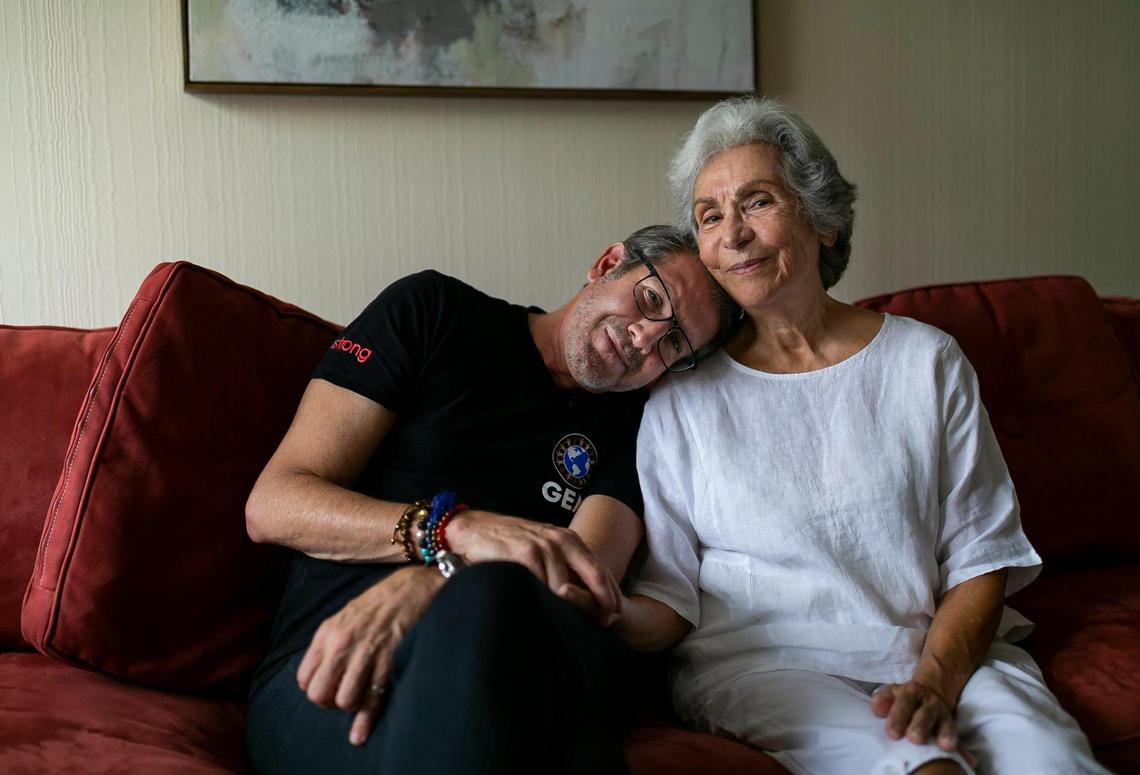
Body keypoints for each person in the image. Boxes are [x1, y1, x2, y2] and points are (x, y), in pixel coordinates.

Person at [615, 98, 1109, 775]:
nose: (732, 234)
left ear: (824, 219)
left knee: (1054, 762)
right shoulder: (681, 401)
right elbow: (668, 590)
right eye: (709, 216)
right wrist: (589, 601)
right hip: (768, 668)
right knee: (920, 766)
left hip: (935, 650)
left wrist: (936, 679)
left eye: (756, 202)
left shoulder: (925, 360)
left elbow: (981, 555)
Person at [242, 224, 738, 775]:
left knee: (499, 606)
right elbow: (274, 503)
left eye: (673, 343)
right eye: (651, 300)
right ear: (607, 263)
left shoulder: (638, 427)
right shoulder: (433, 311)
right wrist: (450, 530)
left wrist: (437, 579)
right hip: (332, 664)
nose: (645, 339)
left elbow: (579, 577)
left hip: (521, 659)